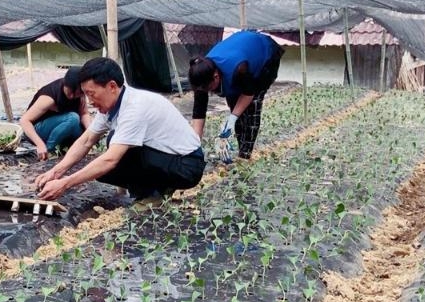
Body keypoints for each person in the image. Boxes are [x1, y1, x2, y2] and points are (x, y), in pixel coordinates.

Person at [36, 57, 205, 200]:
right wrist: (55, 172)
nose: (89, 101)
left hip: (187, 165)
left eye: (91, 93)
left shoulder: (135, 107)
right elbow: (86, 140)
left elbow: (110, 160)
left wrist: (65, 184)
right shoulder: (110, 106)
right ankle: (153, 190)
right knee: (105, 164)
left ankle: (153, 194)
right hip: (166, 157)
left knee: (111, 156)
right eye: (86, 94)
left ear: (111, 86)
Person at [188, 30, 283, 160]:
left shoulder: (239, 69)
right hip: (239, 52)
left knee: (252, 107)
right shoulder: (201, 75)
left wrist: (232, 119)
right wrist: (195, 148)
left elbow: (249, 94)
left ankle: (244, 156)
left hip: (265, 55)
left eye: (210, 88)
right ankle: (240, 148)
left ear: (216, 77)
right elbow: (199, 113)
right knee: (234, 103)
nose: (208, 92)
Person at [20, 67, 92, 160]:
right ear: (65, 84)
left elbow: (84, 114)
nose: (72, 96)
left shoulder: (80, 95)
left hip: (61, 128)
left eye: (77, 94)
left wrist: (91, 132)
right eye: (69, 92)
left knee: (83, 129)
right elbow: (24, 120)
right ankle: (50, 151)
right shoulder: (49, 97)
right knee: (73, 118)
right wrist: (40, 144)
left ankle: (69, 149)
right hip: (38, 131)